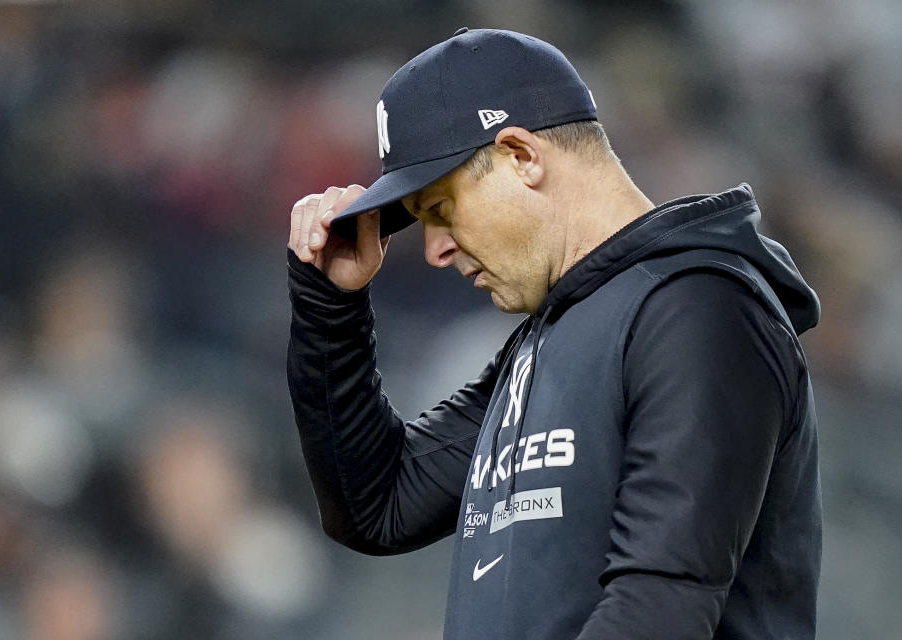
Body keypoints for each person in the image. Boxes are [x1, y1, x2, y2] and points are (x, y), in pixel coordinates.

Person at [286, 28, 821, 639]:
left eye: (440, 210)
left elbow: (660, 610)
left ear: (521, 156)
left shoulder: (697, 309)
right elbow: (378, 505)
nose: (435, 249)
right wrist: (331, 305)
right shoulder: (558, 332)